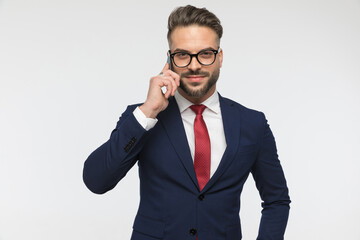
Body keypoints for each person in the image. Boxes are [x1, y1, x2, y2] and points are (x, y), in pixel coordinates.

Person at [83, 5, 290, 240]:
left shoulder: (252, 123)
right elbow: (96, 181)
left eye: (205, 53)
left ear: (219, 57)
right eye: (182, 55)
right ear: (169, 60)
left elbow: (277, 200)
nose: (194, 65)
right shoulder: (143, 118)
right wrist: (148, 111)